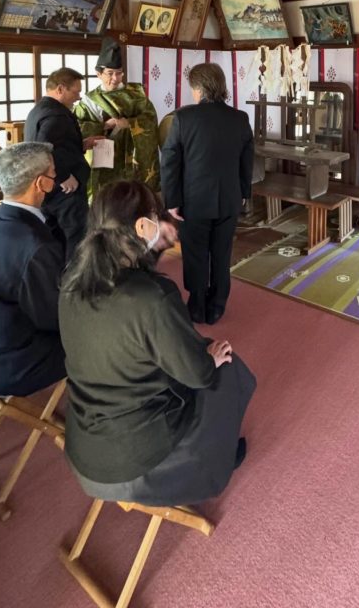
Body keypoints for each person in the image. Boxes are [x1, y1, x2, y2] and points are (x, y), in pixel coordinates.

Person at [59, 181, 255, 507]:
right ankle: (217, 456)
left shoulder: (72, 280)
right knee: (223, 369)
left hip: (86, 449)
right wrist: (209, 359)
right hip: (133, 462)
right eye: (155, 214)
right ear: (141, 226)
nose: (161, 221)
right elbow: (197, 374)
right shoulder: (152, 297)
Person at [0, 143, 66, 396]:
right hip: (14, 366)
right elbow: (55, 318)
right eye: (53, 173)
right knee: (110, 335)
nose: (56, 178)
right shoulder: (36, 245)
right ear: (41, 183)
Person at [161, 63, 253, 324]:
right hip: (229, 198)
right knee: (222, 252)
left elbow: (170, 162)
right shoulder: (239, 118)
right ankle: (217, 305)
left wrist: (172, 200)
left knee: (195, 252)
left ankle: (197, 304)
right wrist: (243, 191)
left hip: (193, 200)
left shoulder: (183, 118)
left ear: (199, 89)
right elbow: (247, 160)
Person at [24, 67, 100, 259]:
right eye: (75, 91)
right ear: (60, 89)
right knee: (75, 237)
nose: (78, 97)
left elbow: (57, 145)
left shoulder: (40, 109)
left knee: (56, 235)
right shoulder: (55, 115)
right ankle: (74, 275)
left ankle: (59, 273)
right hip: (64, 189)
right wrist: (64, 175)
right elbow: (44, 147)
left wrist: (82, 144)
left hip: (49, 186)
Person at [75, 38, 160, 198]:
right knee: (106, 196)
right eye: (110, 73)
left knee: (134, 196)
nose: (115, 78)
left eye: (119, 73)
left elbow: (150, 120)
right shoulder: (89, 101)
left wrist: (129, 123)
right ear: (99, 74)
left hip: (132, 155)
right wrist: (104, 126)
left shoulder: (136, 95)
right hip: (103, 156)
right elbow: (77, 127)